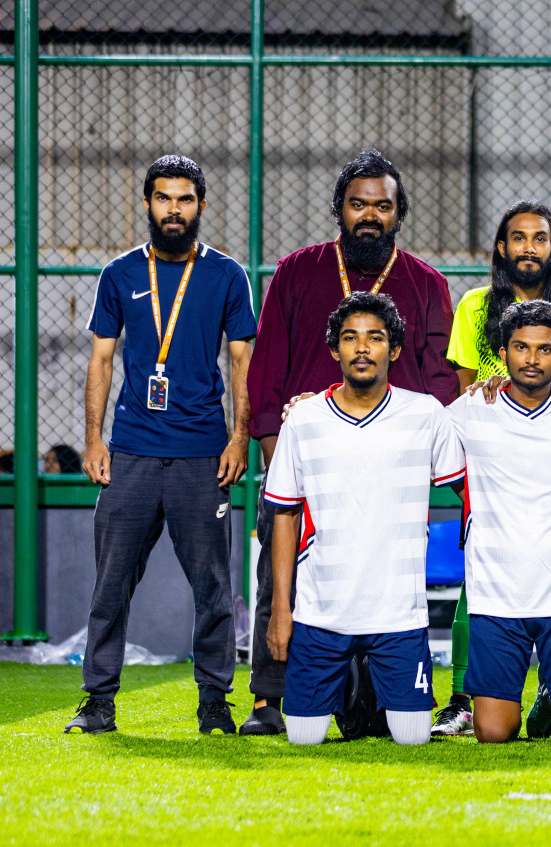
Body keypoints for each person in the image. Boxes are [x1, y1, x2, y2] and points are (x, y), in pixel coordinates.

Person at [244, 149, 457, 736]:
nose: (369, 215)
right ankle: (270, 696)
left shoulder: (426, 283)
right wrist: (281, 464)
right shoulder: (296, 271)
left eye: (382, 206)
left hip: (391, 468)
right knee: (280, 574)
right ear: (340, 208)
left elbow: (439, 380)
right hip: (312, 463)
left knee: (383, 588)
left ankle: (374, 702)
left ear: (398, 213)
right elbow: (268, 371)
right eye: (358, 203)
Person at [65, 154, 256, 736]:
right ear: (146, 204)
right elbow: (101, 360)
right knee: (111, 582)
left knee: (214, 588)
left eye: (185, 199)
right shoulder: (120, 274)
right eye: (163, 198)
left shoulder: (227, 275)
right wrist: (94, 439)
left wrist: (239, 436)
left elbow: (241, 360)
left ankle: (214, 703)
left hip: (203, 454)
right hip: (133, 451)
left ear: (201, 205)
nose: (174, 209)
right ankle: (98, 701)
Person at [432, 200, 551, 738]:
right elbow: (424, 428)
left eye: (544, 349)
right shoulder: (474, 402)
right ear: (504, 351)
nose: (532, 357)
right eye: (520, 348)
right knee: (494, 734)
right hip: (499, 575)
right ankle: (476, 698)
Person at [263, 293, 466, 747]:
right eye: (350, 338)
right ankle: (354, 688)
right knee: (303, 739)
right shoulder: (304, 419)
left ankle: (366, 689)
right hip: (320, 612)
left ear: (393, 350)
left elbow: (469, 489)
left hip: (398, 614)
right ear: (334, 350)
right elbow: (285, 514)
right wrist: (282, 610)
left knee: (412, 738)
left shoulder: (425, 414)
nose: (361, 348)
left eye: (375, 338)